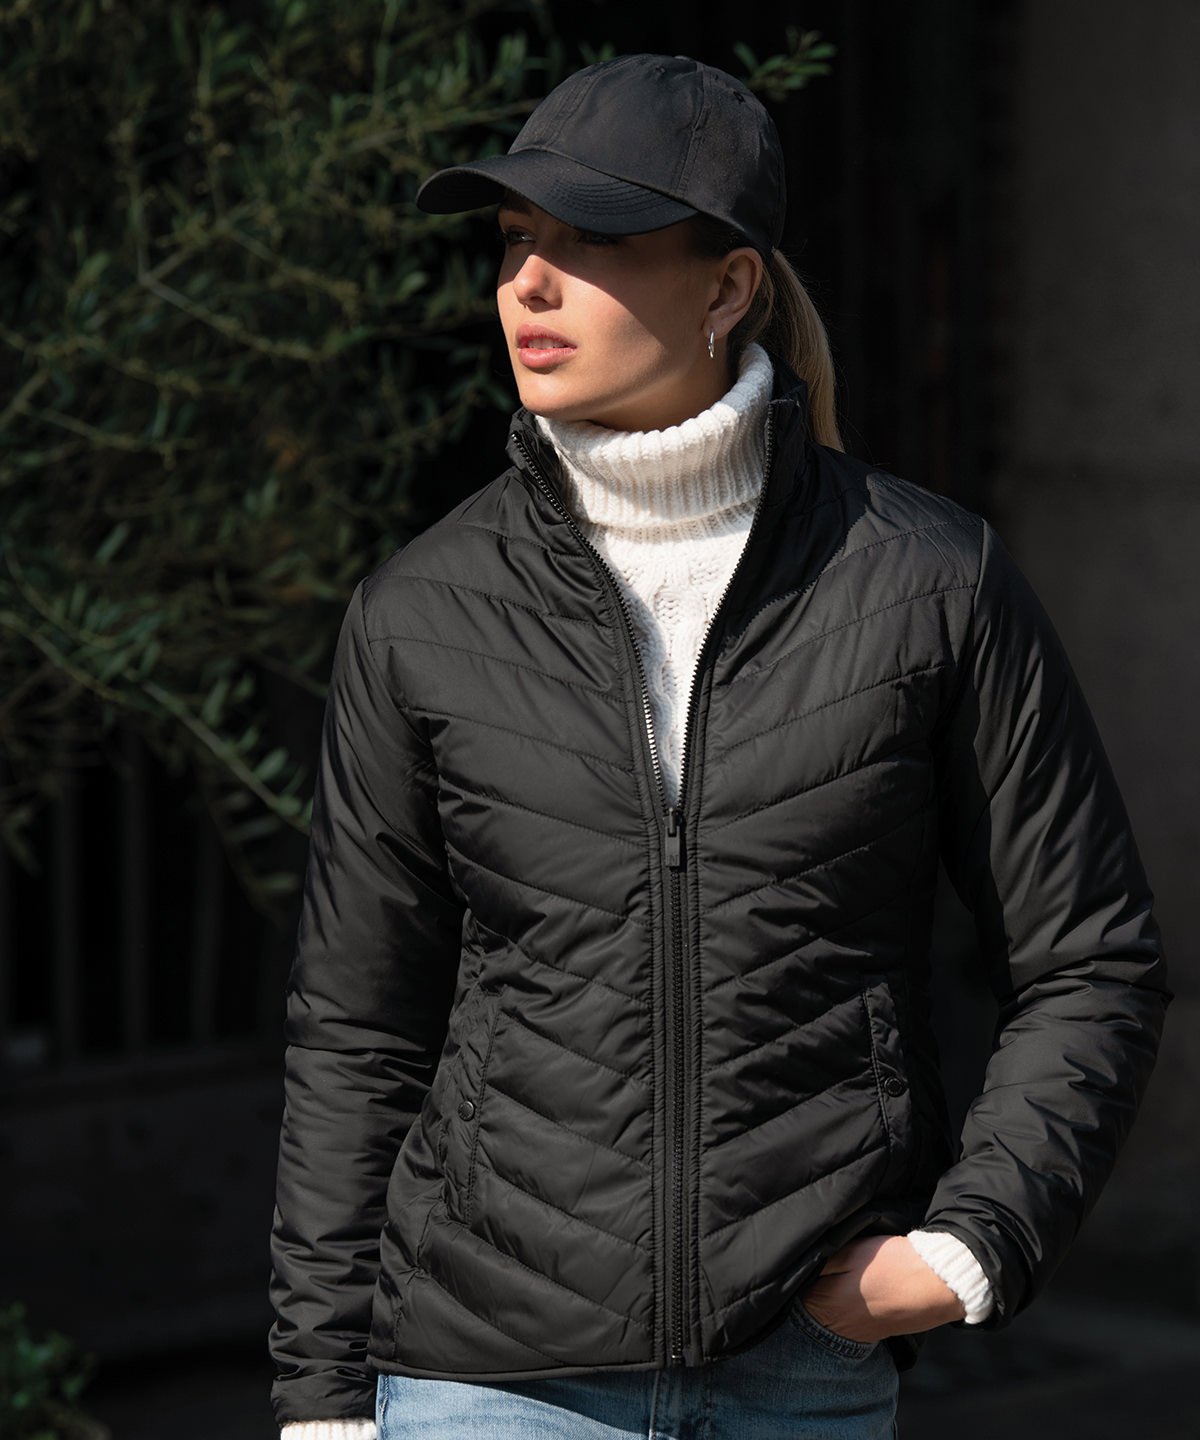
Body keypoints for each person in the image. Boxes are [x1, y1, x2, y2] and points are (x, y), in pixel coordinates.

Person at [268, 54, 1169, 1440]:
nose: (527, 285)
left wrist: (965, 1247)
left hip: (801, 1370)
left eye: (589, 242)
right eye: (513, 241)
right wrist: (324, 1403)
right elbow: (357, 1028)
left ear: (729, 285)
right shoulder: (423, 613)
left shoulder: (927, 582)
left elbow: (1091, 957)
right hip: (489, 1381)